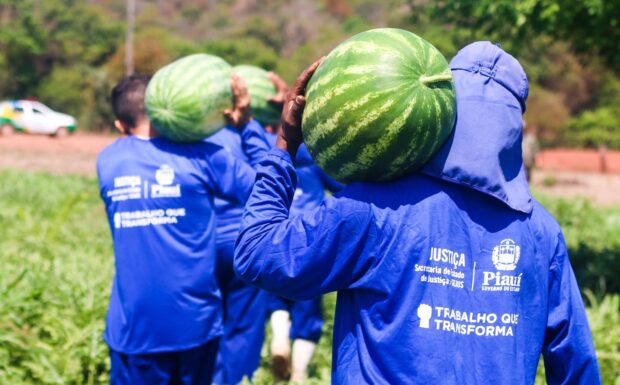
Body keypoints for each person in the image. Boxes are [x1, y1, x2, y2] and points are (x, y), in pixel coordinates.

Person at [234, 42, 601, 384]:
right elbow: (576, 365)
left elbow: (257, 253)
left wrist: (284, 145)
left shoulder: (375, 207)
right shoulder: (541, 233)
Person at [96, 74, 268, 385]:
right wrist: (246, 125)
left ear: (119, 124)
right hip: (195, 326)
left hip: (134, 329)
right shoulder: (205, 157)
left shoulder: (109, 161)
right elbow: (269, 190)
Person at [207, 71, 287, 385]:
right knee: (241, 329)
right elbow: (270, 177)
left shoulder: (196, 137)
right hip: (243, 244)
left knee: (210, 323)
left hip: (204, 246)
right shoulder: (257, 136)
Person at [267, 143, 344, 383]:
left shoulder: (274, 158)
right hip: (309, 241)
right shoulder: (317, 161)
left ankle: (280, 338)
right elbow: (342, 189)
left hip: (277, 237)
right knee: (308, 310)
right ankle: (299, 374)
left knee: (275, 298)